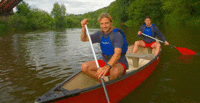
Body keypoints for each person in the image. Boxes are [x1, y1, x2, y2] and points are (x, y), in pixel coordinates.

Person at [80, 13, 128, 81]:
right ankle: (104, 84)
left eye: (106, 23)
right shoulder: (100, 34)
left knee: (114, 71)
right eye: (102, 24)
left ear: (111, 23)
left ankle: (111, 86)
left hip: (119, 62)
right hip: (105, 60)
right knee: (84, 67)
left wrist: (107, 67)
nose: (104, 26)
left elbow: (117, 54)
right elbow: (83, 39)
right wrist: (83, 28)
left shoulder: (117, 35)